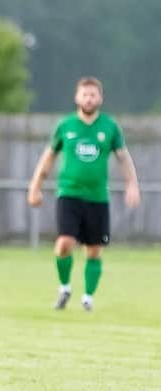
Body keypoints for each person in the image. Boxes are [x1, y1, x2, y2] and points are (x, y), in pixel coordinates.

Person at [28, 76, 140, 311]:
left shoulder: (109, 127)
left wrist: (132, 184)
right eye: (85, 94)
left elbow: (123, 158)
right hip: (68, 194)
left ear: (100, 98)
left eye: (93, 94)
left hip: (98, 197)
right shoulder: (65, 126)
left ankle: (88, 298)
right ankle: (65, 288)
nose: (89, 98)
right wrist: (35, 186)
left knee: (94, 249)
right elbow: (48, 157)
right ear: (76, 97)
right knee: (64, 243)